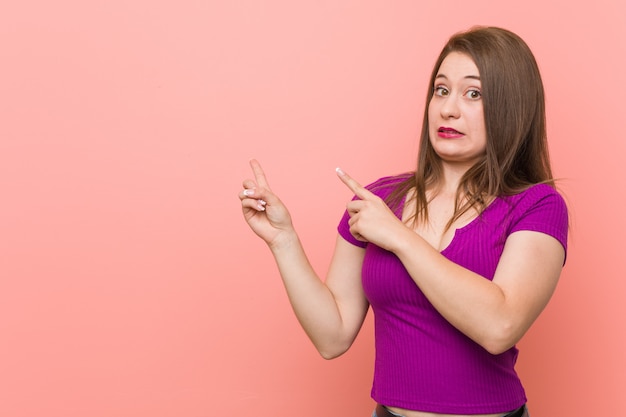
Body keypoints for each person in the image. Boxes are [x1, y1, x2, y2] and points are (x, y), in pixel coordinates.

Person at [238, 26, 568, 417]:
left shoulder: (538, 205)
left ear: (512, 108)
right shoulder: (380, 200)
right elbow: (332, 336)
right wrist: (283, 241)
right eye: (441, 90)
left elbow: (499, 326)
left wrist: (399, 237)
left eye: (473, 94)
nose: (448, 108)